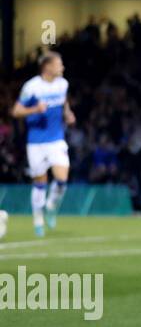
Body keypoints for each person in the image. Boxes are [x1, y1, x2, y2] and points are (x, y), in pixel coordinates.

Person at [11, 52, 75, 237]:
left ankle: (51, 207)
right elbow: (16, 111)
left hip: (56, 139)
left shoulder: (63, 84)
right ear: (47, 67)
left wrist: (68, 114)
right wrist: (34, 109)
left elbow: (64, 102)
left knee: (62, 179)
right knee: (40, 183)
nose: (62, 67)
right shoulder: (32, 87)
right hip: (36, 142)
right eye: (59, 64)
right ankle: (38, 220)